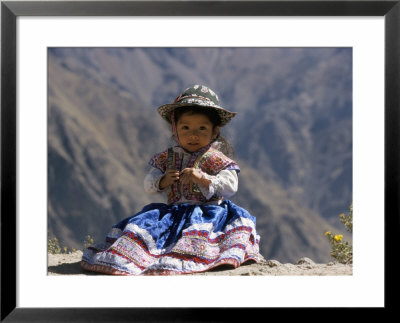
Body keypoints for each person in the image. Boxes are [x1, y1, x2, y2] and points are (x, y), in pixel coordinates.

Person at [81, 84, 261, 275]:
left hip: (209, 213)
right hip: (173, 213)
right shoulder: (167, 158)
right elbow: (149, 184)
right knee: (144, 237)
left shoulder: (216, 159)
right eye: (185, 127)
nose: (193, 134)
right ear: (175, 129)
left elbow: (231, 186)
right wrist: (163, 181)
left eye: (202, 128)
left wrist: (205, 179)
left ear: (214, 131)